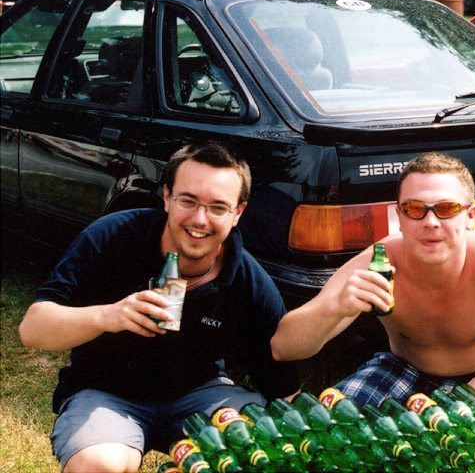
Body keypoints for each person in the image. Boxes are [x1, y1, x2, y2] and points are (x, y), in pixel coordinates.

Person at [271, 151, 475, 472]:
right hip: (405, 373)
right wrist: (334, 306)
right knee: (329, 425)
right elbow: (284, 347)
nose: (430, 222)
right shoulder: (379, 262)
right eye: (416, 209)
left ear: (470, 216)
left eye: (446, 208)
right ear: (399, 216)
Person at [18, 142, 300, 473]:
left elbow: (283, 384)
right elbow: (32, 329)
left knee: (257, 453)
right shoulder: (112, 236)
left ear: (238, 212)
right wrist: (108, 315)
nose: (199, 219)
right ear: (166, 197)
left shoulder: (248, 280)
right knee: (98, 466)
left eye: (217, 207)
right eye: (188, 200)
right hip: (105, 393)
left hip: (200, 395)